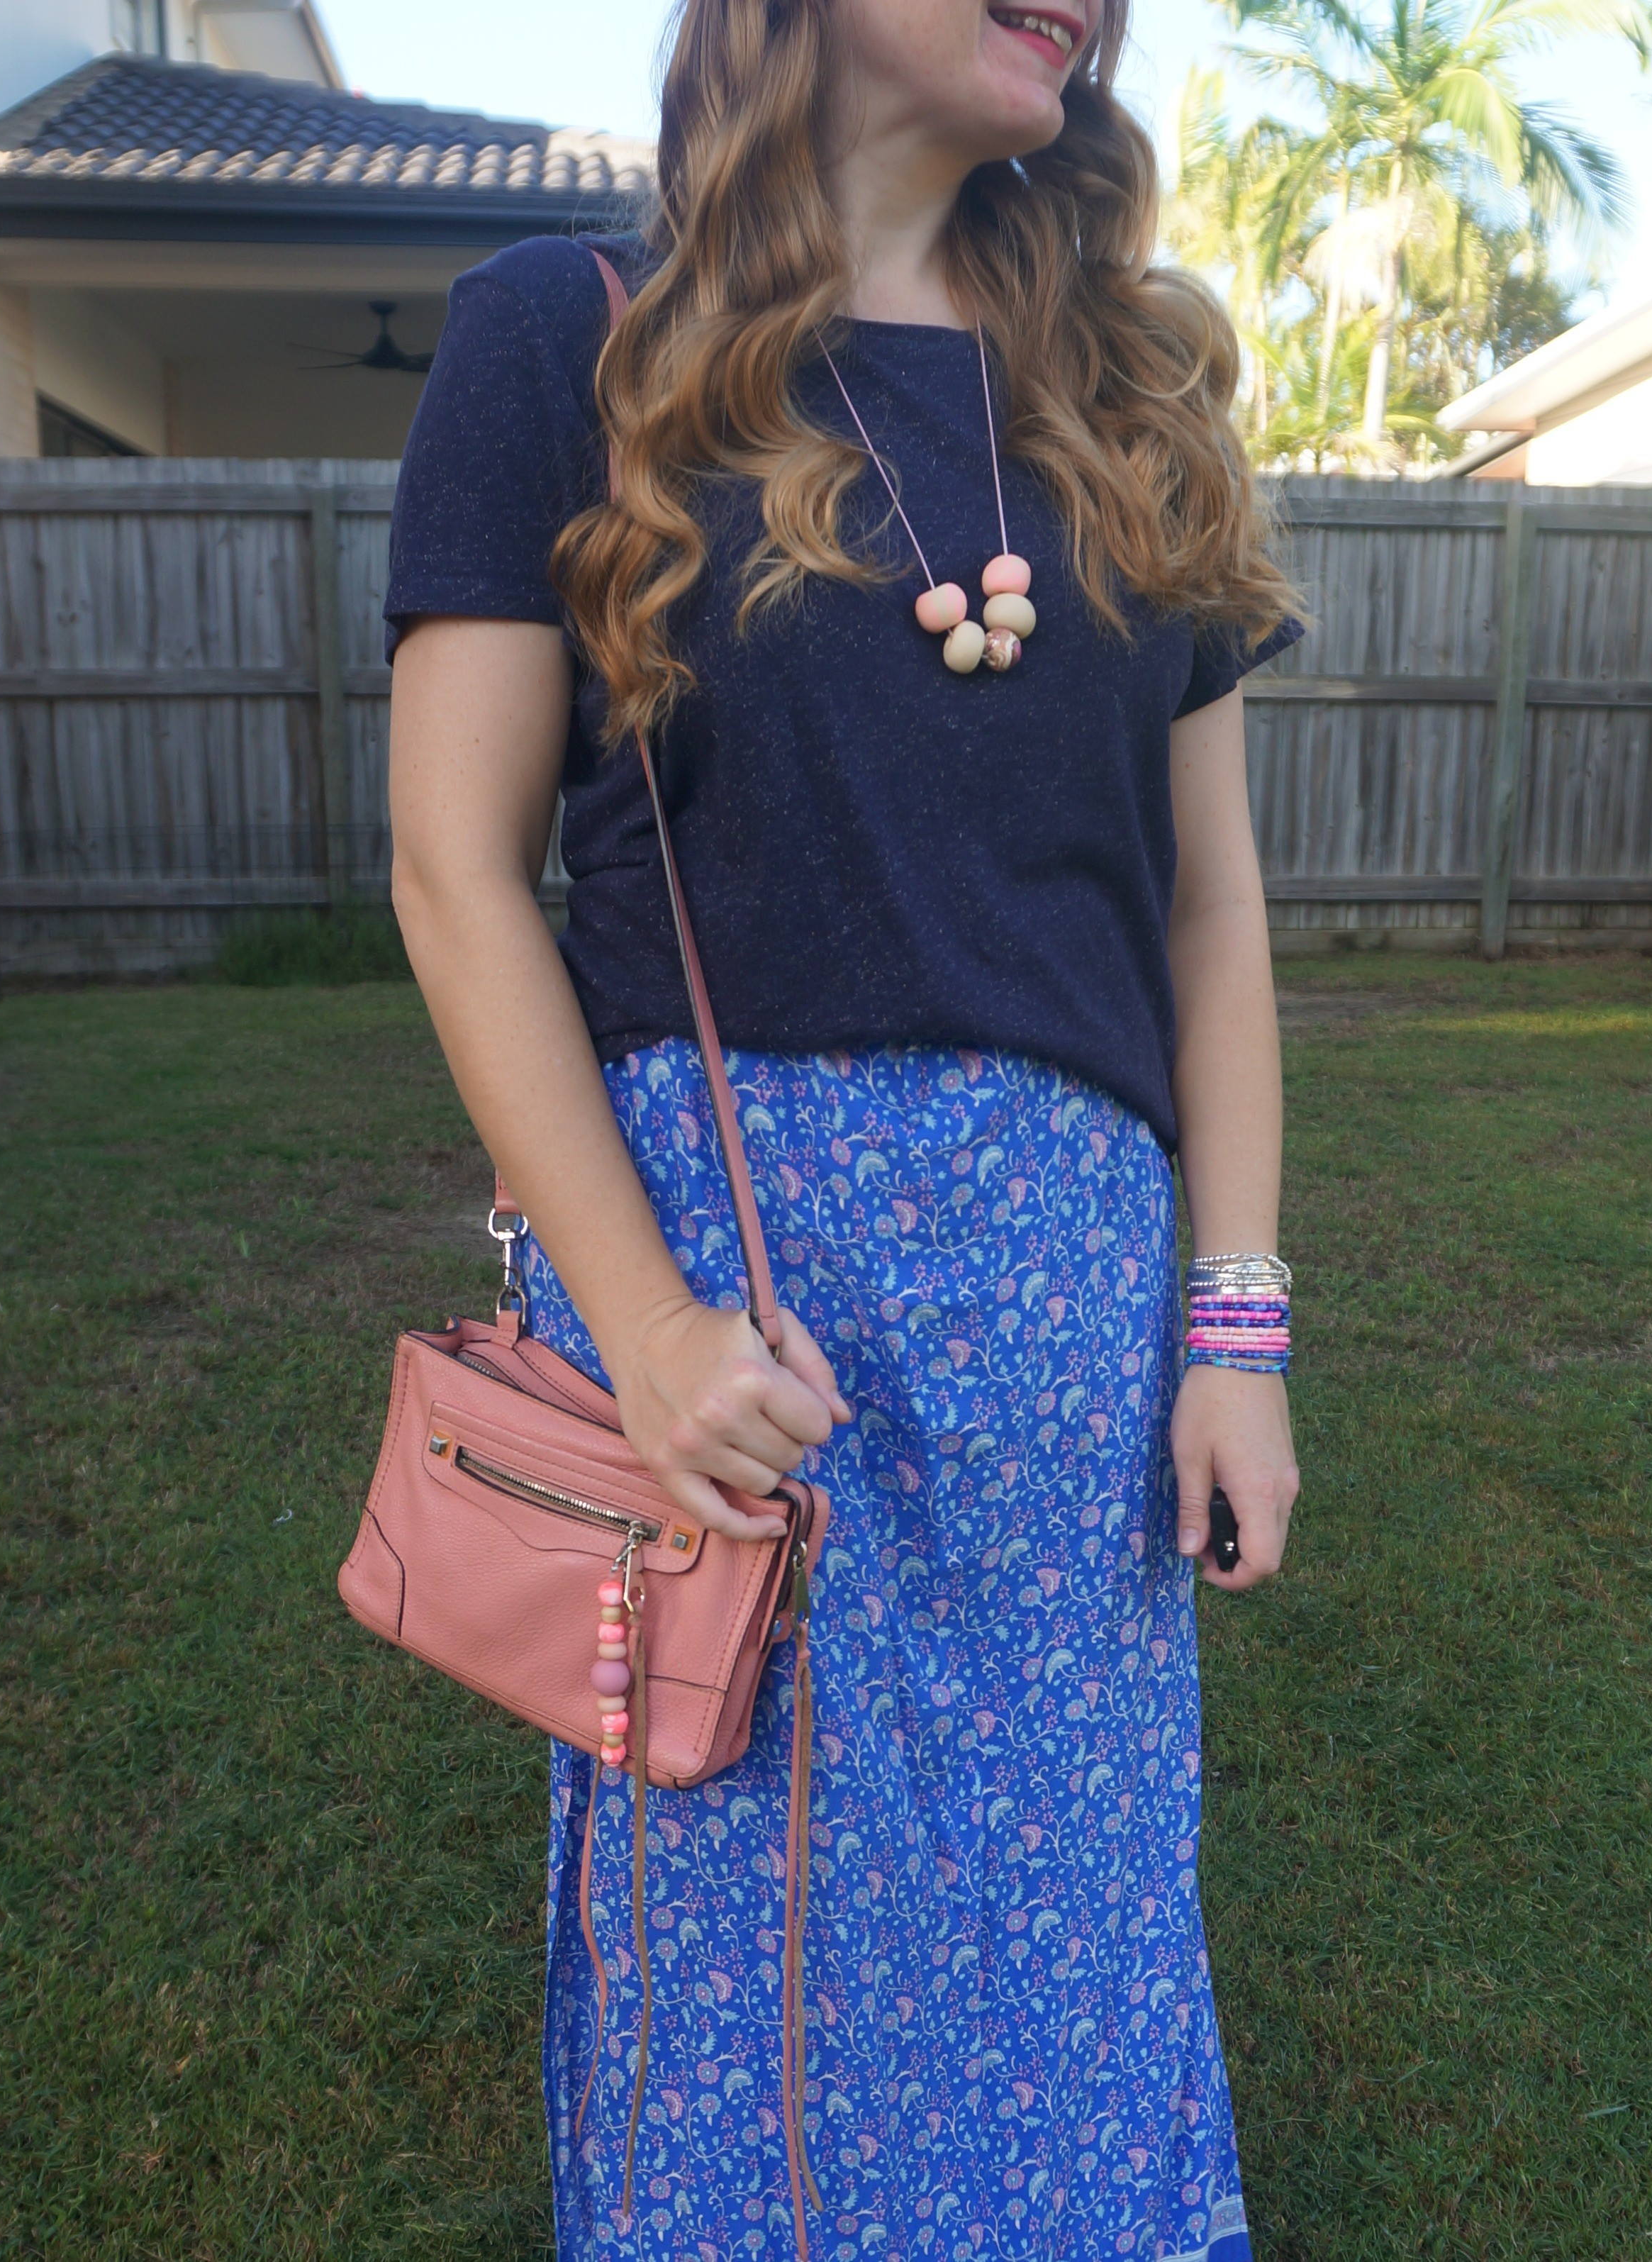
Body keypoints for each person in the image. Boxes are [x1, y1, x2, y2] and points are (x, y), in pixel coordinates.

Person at [382, 0, 1302, 2253]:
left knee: (1072, 1920)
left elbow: (1210, 913)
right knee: (745, 1929)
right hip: (737, 1336)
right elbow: (453, 870)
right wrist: (646, 1331)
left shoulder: (1136, 390)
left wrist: (1237, 1330)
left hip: (1067, 1345)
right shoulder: (572, 340)